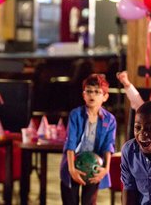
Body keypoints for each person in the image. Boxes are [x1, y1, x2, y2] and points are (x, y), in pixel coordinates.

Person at [60, 74, 116, 205]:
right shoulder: (75, 114)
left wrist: (106, 169)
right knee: (70, 201)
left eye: (97, 92)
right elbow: (70, 142)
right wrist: (71, 169)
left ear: (105, 97)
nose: (92, 95)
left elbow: (109, 145)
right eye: (89, 91)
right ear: (83, 95)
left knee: (89, 202)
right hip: (73, 164)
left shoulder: (110, 119)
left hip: (94, 166)